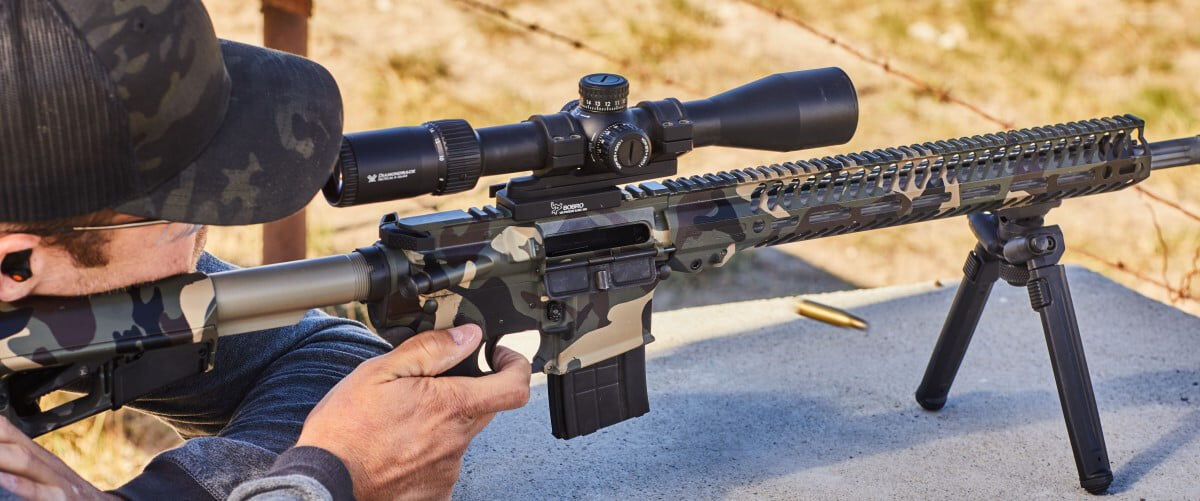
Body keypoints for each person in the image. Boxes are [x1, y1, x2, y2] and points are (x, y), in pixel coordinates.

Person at [0, 1, 530, 500]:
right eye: (182, 214)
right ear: (17, 263)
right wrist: (323, 478)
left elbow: (321, 354)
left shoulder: (66, 288)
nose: (205, 236)